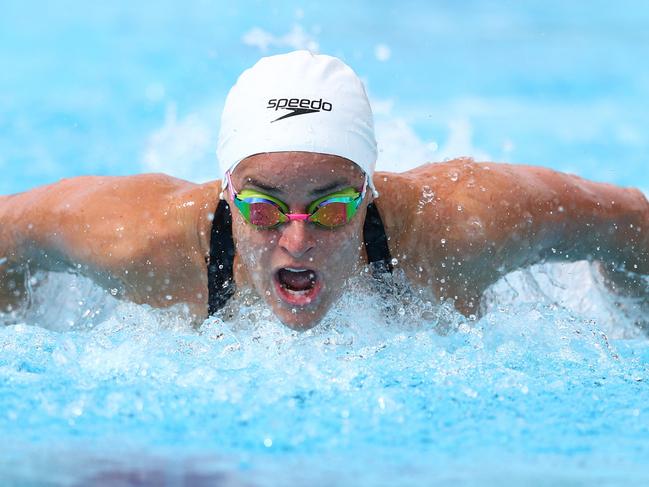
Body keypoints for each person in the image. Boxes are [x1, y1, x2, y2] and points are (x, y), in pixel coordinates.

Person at [0, 50, 647, 330]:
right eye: (263, 207)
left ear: (367, 191)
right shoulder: (136, 238)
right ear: (226, 191)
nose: (298, 238)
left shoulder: (461, 226)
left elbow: (630, 221)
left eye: (332, 205)